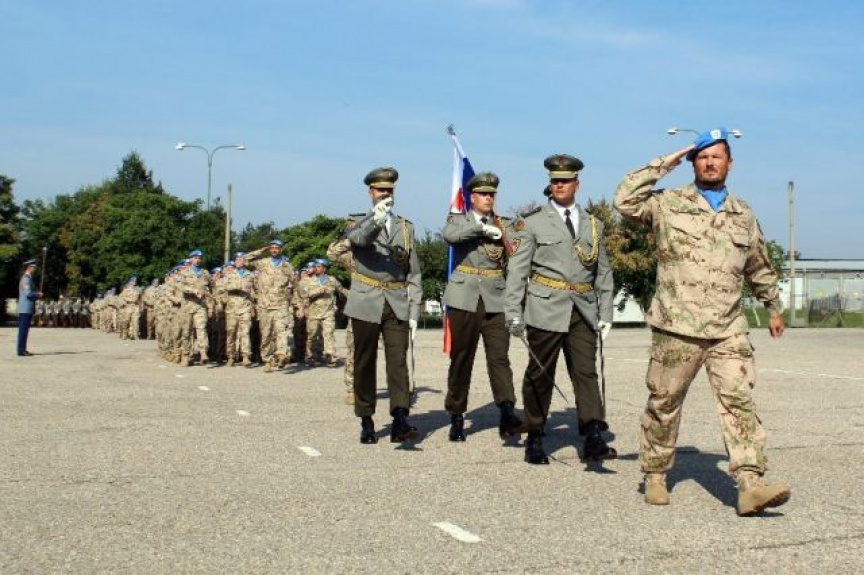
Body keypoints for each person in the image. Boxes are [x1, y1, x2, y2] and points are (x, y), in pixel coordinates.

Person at [613, 128, 790, 516]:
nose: (710, 163)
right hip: (677, 325)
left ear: (730, 163)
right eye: (703, 157)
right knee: (664, 403)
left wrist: (773, 306)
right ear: (693, 163)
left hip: (728, 327)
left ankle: (749, 484)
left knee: (739, 403)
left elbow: (758, 264)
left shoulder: (743, 214)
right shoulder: (668, 203)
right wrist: (665, 162)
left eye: (717, 157)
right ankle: (655, 474)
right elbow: (624, 200)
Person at [504, 154, 616, 465]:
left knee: (586, 372)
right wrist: (512, 311)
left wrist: (606, 313)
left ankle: (592, 433)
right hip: (546, 307)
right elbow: (517, 271)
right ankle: (535, 434)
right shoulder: (532, 222)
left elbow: (603, 272)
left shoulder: (594, 224)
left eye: (565, 181)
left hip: (583, 308)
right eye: (555, 181)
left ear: (577, 184)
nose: (559, 185)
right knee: (540, 373)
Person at [441, 172, 523, 442]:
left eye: (492, 194)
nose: (489, 198)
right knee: (462, 358)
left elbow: (517, 253)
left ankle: (507, 411)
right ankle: (456, 414)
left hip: (496, 298)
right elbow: (450, 236)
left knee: (499, 358)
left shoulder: (504, 224)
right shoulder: (458, 220)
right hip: (464, 298)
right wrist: (480, 229)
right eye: (483, 194)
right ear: (472, 197)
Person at [345, 167, 422, 444]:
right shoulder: (356, 221)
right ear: (370, 192)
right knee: (365, 362)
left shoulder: (405, 227)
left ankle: (400, 418)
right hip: (366, 299)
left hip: (396, 301)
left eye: (389, 190)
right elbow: (358, 240)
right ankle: (366, 419)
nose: (385, 194)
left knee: (398, 362)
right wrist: (375, 220)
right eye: (380, 190)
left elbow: (414, 272)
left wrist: (415, 311)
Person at [244, 239, 295, 373]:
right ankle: (268, 360)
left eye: (276, 248)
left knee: (281, 331)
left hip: (281, 305)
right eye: (272, 248)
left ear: (280, 249)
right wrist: (261, 250)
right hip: (264, 305)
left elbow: (296, 284)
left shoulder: (287, 266)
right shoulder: (262, 263)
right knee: (266, 335)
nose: (274, 250)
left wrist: (298, 302)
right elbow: (245, 260)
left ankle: (281, 354)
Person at [304, 258, 347, 367]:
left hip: (328, 312)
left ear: (324, 268)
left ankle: (330, 355)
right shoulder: (309, 280)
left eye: (318, 266)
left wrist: (356, 296)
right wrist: (320, 290)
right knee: (312, 336)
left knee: (329, 334)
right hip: (314, 313)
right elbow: (306, 294)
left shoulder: (332, 280)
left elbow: (342, 290)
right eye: (315, 266)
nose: (316, 268)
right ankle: (311, 356)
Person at [177, 250, 212, 366]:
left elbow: (211, 287)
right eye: (195, 258)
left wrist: (209, 300)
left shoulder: (205, 273)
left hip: (200, 306)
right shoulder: (184, 272)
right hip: (187, 306)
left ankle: (203, 352)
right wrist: (193, 290)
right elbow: (180, 286)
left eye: (199, 258)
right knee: (187, 332)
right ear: (191, 259)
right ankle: (186, 355)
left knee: (201, 329)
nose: (197, 260)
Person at [17, 259, 42, 356]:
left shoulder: (29, 278)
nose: (34, 269)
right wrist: (38, 294)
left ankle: (22, 349)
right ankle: (21, 350)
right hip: (25, 308)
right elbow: (28, 294)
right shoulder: (26, 279)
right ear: (29, 267)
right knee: (23, 330)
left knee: (24, 330)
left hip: (27, 308)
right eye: (33, 267)